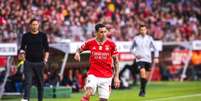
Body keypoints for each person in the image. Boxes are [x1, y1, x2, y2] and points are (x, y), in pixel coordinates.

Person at [74, 24, 120, 101]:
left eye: (105, 32)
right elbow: (79, 49)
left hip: (107, 76)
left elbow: (116, 61)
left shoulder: (111, 44)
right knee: (89, 91)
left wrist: (116, 77)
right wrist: (77, 53)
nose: (104, 34)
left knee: (103, 99)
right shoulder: (90, 42)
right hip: (93, 74)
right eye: (101, 32)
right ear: (96, 33)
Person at [19, 18, 49, 101]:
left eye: (36, 24)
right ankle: (26, 99)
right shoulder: (25, 36)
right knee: (28, 82)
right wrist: (22, 57)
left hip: (40, 63)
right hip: (28, 63)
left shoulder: (43, 35)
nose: (35, 26)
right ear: (30, 26)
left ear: (38, 25)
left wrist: (45, 60)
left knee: (40, 84)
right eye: (33, 24)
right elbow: (22, 48)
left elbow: (47, 49)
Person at [130, 24, 159, 97]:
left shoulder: (150, 38)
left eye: (144, 30)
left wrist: (156, 57)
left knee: (146, 77)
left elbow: (156, 48)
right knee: (142, 72)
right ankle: (142, 91)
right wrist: (135, 54)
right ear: (139, 31)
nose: (143, 31)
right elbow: (131, 49)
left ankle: (142, 90)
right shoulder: (136, 38)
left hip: (148, 59)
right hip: (140, 59)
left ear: (146, 30)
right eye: (141, 30)